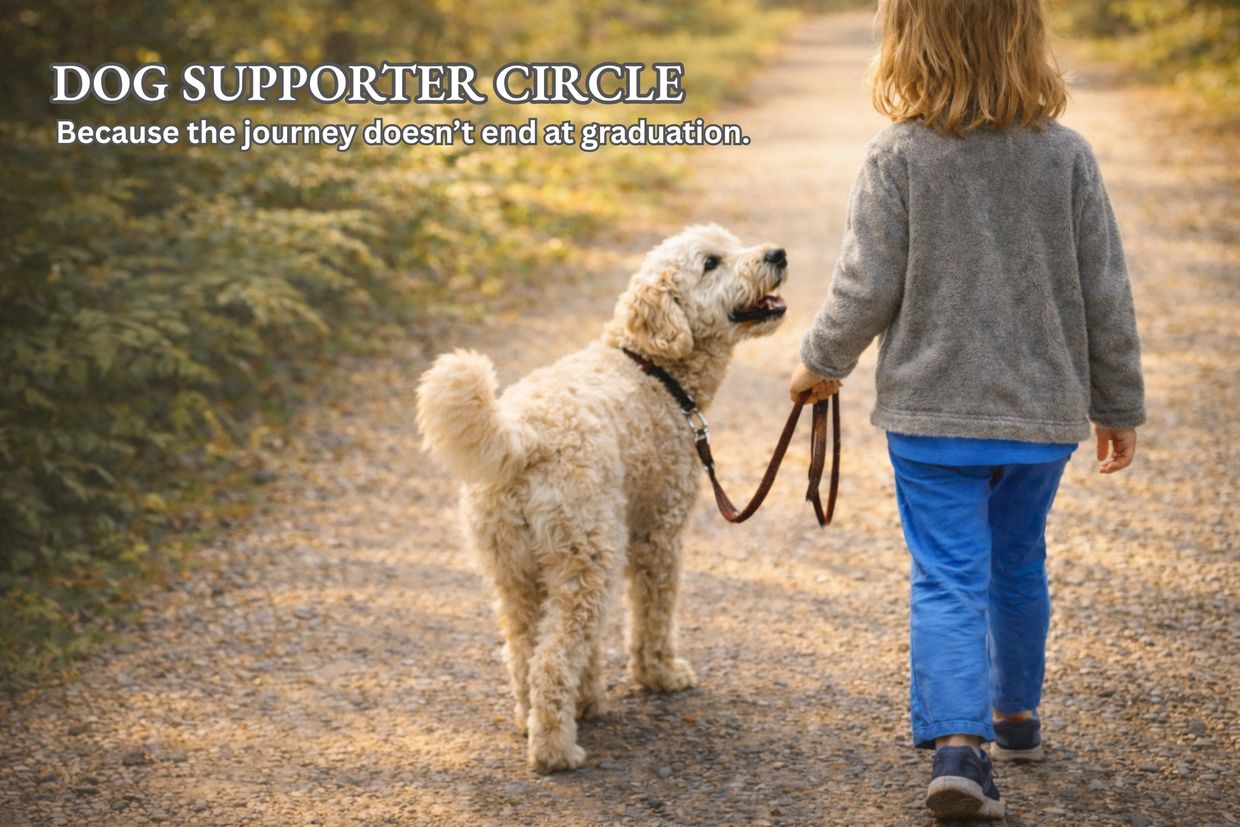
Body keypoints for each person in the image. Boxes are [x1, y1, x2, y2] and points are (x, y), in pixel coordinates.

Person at [788, 0, 1145, 820]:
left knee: (948, 573)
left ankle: (958, 746)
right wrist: (1116, 401)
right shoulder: (1067, 158)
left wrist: (819, 363)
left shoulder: (899, 155)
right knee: (1017, 561)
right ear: (1026, 38)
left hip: (932, 414)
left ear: (907, 42)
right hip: (1040, 416)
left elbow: (864, 283)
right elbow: (1106, 292)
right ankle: (1015, 715)